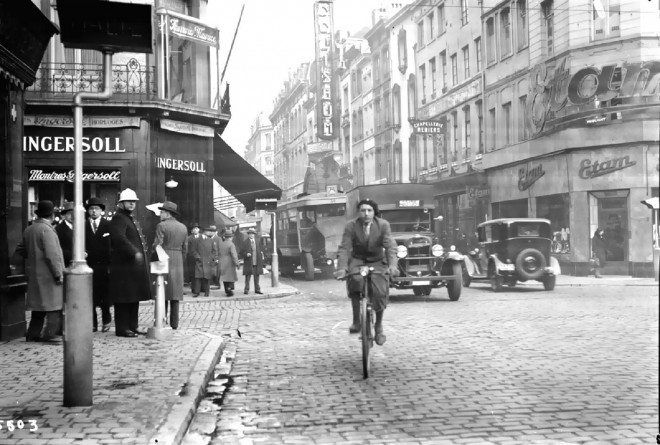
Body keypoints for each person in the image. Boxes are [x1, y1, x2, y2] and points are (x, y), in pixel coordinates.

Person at [335, 199, 398, 346]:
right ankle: (357, 321)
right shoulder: (351, 226)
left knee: (380, 291)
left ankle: (378, 326)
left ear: (374, 212)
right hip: (358, 260)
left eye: (369, 210)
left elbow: (390, 247)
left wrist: (392, 265)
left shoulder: (383, 225)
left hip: (377, 261)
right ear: (359, 212)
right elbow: (344, 248)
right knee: (355, 281)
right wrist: (342, 268)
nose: (366, 214)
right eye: (363, 210)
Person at [14, 200, 65, 343]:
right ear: (51, 214)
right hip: (49, 276)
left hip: (35, 275)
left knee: (39, 307)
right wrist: (58, 274)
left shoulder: (29, 229)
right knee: (54, 306)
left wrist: (33, 256)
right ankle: (50, 334)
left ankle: (32, 334)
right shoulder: (47, 230)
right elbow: (52, 255)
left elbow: (20, 249)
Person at [108, 188, 152, 337]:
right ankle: (122, 328)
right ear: (121, 203)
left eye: (134, 202)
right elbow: (119, 238)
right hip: (124, 267)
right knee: (124, 298)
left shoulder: (128, 218)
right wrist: (134, 252)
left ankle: (133, 325)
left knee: (133, 296)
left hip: (131, 267)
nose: (132, 204)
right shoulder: (119, 218)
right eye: (129, 201)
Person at [152, 201, 188, 329]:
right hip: (178, 260)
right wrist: (180, 261)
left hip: (163, 257)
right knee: (175, 294)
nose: (160, 214)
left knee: (162, 290)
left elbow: (158, 245)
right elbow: (185, 248)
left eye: (161, 212)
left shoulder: (161, 226)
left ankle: (162, 320)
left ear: (167, 213)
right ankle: (175, 324)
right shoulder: (183, 227)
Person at [85, 197, 112, 333]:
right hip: (88, 266)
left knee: (104, 296)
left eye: (96, 209)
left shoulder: (108, 225)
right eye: (91, 208)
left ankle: (106, 320)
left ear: (101, 211)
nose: (94, 211)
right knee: (90, 297)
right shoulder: (83, 226)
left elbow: (112, 247)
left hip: (104, 267)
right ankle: (93, 323)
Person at [190, 226, 217, 297]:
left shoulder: (211, 240)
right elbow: (193, 251)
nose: (209, 232)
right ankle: (197, 292)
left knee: (207, 278)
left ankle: (207, 292)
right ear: (204, 231)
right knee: (198, 277)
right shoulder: (197, 240)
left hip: (208, 262)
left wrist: (211, 258)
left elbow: (214, 251)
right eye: (208, 231)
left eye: (210, 231)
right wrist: (198, 257)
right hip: (199, 261)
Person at [240, 228, 264, 294]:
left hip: (257, 262)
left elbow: (260, 250)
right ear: (248, 235)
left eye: (253, 234)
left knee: (257, 276)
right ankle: (246, 289)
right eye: (250, 234)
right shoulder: (245, 242)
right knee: (248, 276)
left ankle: (257, 289)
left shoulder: (257, 241)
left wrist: (261, 259)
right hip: (248, 262)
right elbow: (241, 252)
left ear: (254, 234)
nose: (251, 235)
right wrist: (246, 254)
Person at [217, 229, 240, 297]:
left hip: (222, 261)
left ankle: (226, 290)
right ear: (230, 237)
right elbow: (234, 254)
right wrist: (237, 263)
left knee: (224, 277)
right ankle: (229, 289)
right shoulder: (231, 244)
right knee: (230, 276)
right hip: (229, 262)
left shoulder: (222, 244)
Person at [55, 201, 74, 267]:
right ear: (64, 215)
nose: (72, 215)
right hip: (66, 264)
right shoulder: (59, 229)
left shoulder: (80, 227)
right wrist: (75, 255)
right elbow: (59, 249)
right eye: (69, 213)